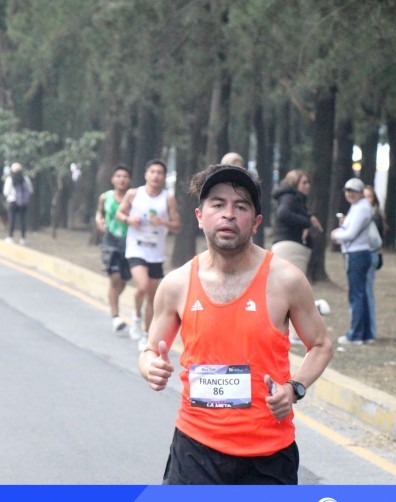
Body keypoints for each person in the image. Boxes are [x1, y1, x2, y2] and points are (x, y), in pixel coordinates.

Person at [138, 164, 334, 485]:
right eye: (218, 204)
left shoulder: (286, 280)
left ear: (256, 222)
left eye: (241, 207)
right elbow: (148, 351)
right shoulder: (176, 284)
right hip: (195, 449)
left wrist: (294, 388)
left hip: (268, 455)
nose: (228, 214)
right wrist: (151, 367)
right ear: (200, 216)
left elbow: (322, 345)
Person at [116, 159, 180, 351]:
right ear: (146, 174)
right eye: (152, 172)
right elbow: (119, 213)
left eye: (160, 173)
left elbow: (177, 225)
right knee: (142, 286)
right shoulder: (134, 194)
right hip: (136, 247)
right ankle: (136, 316)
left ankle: (145, 334)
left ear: (164, 177)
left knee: (152, 297)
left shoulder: (168, 198)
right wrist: (129, 219)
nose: (156, 176)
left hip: (156, 251)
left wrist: (163, 222)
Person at [271, 169, 323, 344]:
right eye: (304, 182)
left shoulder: (294, 198)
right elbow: (283, 214)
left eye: (308, 182)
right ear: (295, 183)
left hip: (292, 246)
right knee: (294, 292)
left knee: (291, 292)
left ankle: (290, 332)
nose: (307, 186)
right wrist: (307, 222)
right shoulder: (290, 197)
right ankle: (292, 333)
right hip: (290, 246)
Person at [330, 177, 375, 345]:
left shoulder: (361, 208)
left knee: (356, 295)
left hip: (357, 254)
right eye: (347, 190)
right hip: (357, 253)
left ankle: (355, 335)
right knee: (361, 294)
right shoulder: (358, 207)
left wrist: (336, 235)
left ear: (361, 192)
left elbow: (350, 234)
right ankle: (366, 333)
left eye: (354, 191)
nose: (350, 194)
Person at [96, 165, 133, 333]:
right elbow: (100, 213)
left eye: (125, 176)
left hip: (129, 241)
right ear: (112, 179)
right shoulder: (105, 197)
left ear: (129, 180)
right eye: (118, 176)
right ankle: (115, 316)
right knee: (115, 277)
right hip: (110, 241)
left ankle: (113, 300)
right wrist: (99, 221)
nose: (121, 179)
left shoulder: (133, 198)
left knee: (124, 279)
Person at [363, 185, 384, 340]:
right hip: (368, 254)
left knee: (367, 292)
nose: (366, 200)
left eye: (369, 196)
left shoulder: (374, 217)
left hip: (370, 255)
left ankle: (370, 330)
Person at [2, 162, 33, 245]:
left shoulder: (9, 179)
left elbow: (6, 192)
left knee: (12, 219)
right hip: (23, 202)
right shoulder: (25, 178)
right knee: (23, 220)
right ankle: (23, 238)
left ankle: (10, 237)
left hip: (12, 201)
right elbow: (30, 190)